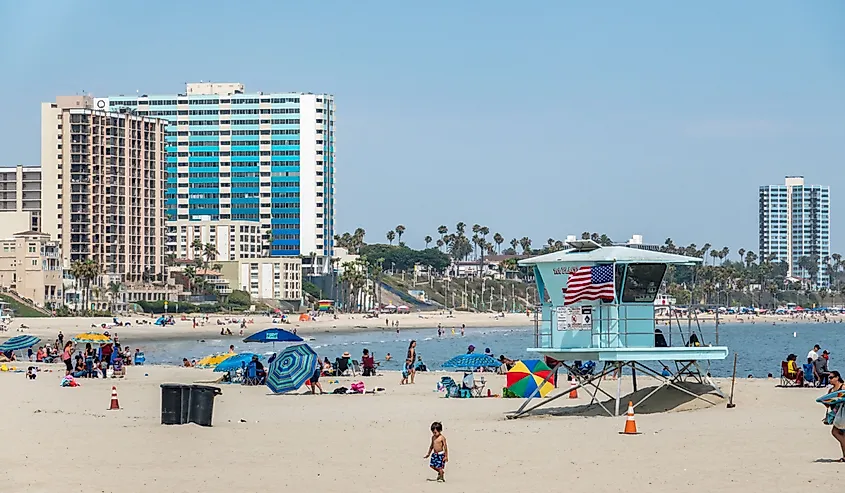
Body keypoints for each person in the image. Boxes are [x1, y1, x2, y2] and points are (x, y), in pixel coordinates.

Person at [824, 370, 845, 462]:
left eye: (831, 377)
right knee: (841, 435)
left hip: (843, 413)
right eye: (829, 378)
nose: (830, 380)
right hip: (837, 415)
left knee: (835, 432)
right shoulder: (831, 390)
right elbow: (828, 404)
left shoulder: (843, 387)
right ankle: (844, 456)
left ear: (837, 378)